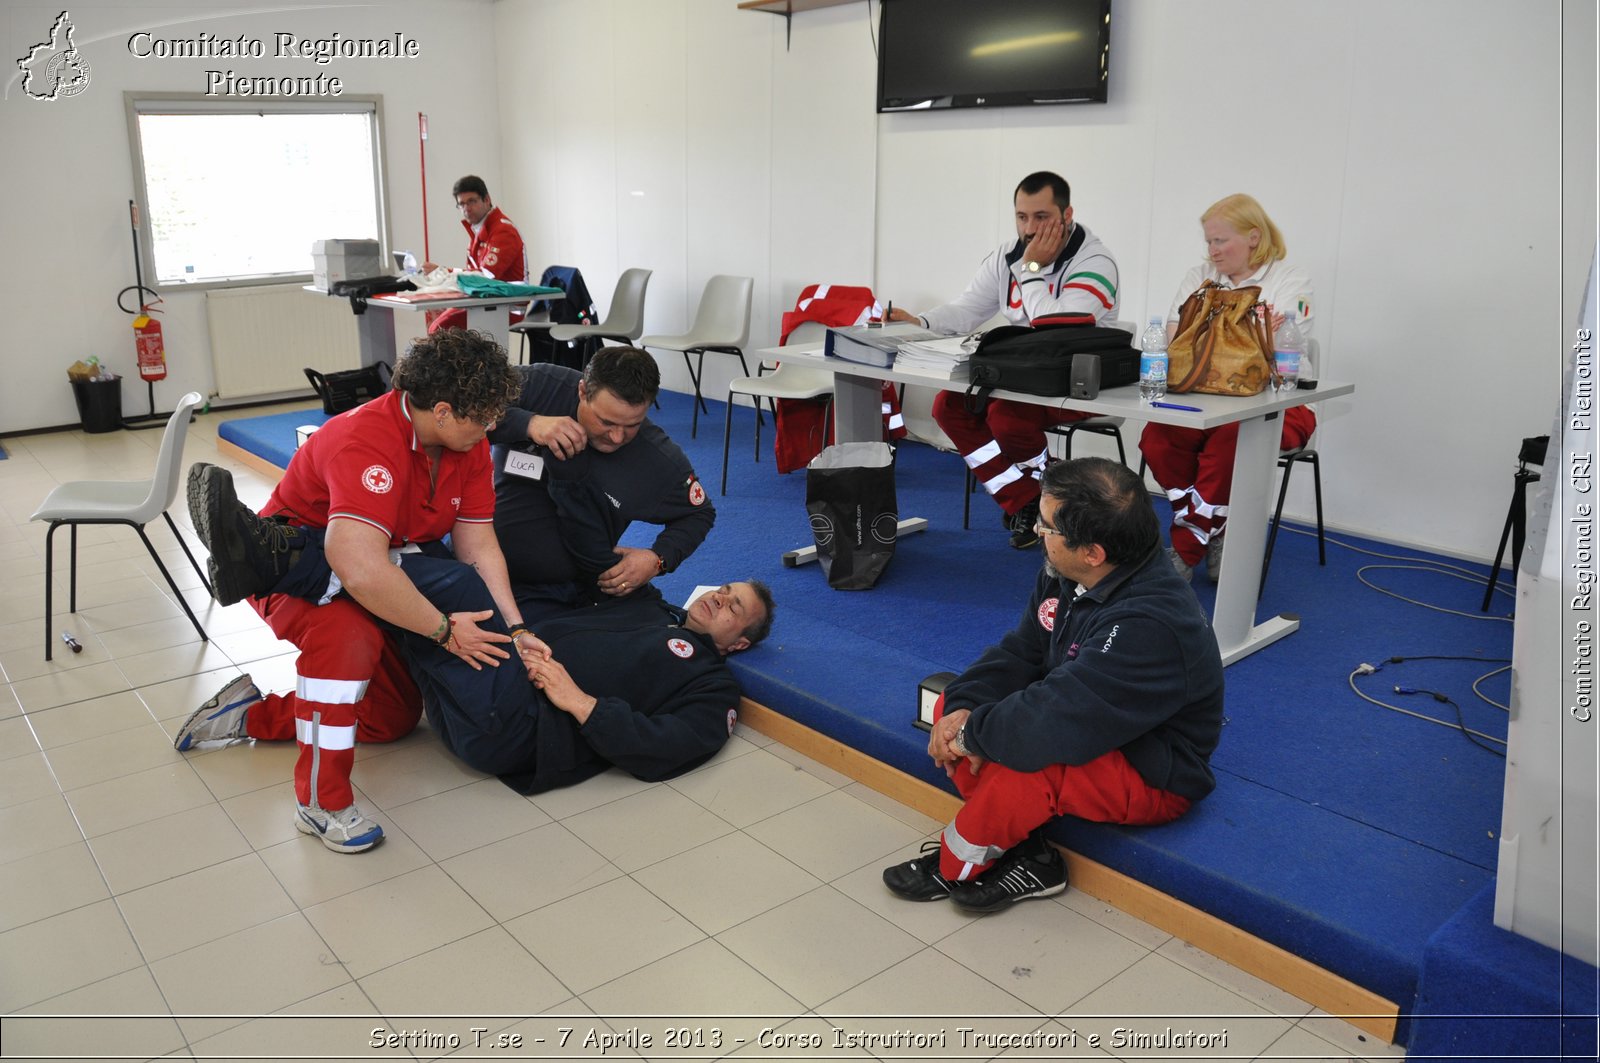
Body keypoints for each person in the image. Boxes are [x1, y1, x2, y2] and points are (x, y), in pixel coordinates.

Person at [177, 328, 532, 854]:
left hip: (382, 561)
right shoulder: (365, 439)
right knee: (348, 642)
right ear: (442, 411)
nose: (493, 427)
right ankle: (320, 803)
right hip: (285, 576)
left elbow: (478, 546)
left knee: (390, 719)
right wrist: (441, 630)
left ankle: (245, 713)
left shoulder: (468, 445)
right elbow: (361, 570)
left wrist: (517, 627)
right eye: (483, 417)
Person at [881, 457, 1224, 914]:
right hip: (1085, 716)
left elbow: (1059, 717)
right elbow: (1021, 653)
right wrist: (963, 711)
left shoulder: (1151, 623)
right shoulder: (1066, 570)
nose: (1038, 532)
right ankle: (1029, 850)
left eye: (1046, 526)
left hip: (1153, 768)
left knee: (1025, 764)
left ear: (1092, 552)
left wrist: (970, 734)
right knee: (954, 700)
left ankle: (956, 865)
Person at [889, 171, 1122, 549]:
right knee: (948, 406)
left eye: (1042, 217)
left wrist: (1030, 269)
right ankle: (1027, 498)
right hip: (1024, 375)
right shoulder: (1007, 255)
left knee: (1006, 416)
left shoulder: (1095, 261)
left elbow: (1054, 327)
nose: (1030, 229)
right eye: (1022, 217)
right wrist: (920, 323)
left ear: (1067, 215)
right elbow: (968, 309)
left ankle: (1046, 495)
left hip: (1078, 382)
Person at [394, 567, 774, 793]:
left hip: (517, 729)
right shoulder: (648, 604)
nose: (719, 599)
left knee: (456, 583)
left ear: (739, 643)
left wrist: (580, 703)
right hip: (474, 699)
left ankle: (338, 551)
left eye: (733, 607)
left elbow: (672, 746)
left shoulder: (712, 682)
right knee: (406, 590)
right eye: (723, 591)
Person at [1139, 194, 1315, 581]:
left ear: (1254, 237)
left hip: (1281, 406)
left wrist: (1217, 337)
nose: (1212, 250)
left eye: (1221, 241)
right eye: (1209, 242)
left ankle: (1185, 550)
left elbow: (1282, 344)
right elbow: (1175, 339)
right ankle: (1215, 529)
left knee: (1231, 438)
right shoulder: (1199, 275)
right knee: (1156, 438)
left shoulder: (1290, 278)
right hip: (1205, 401)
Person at [487, 346, 715, 621]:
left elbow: (700, 514)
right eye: (605, 422)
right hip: (479, 562)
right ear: (582, 391)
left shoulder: (658, 460)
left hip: (561, 592)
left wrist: (657, 559)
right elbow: (460, 409)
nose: (617, 437)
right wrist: (528, 423)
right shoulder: (541, 385)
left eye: (632, 425)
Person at [424, 175, 527, 334]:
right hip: (485, 301)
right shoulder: (479, 229)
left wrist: (444, 272)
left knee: (439, 330)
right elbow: (474, 276)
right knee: (435, 318)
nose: (466, 208)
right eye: (461, 204)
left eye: (471, 201)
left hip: (506, 306)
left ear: (487, 199)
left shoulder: (503, 231)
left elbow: (484, 277)